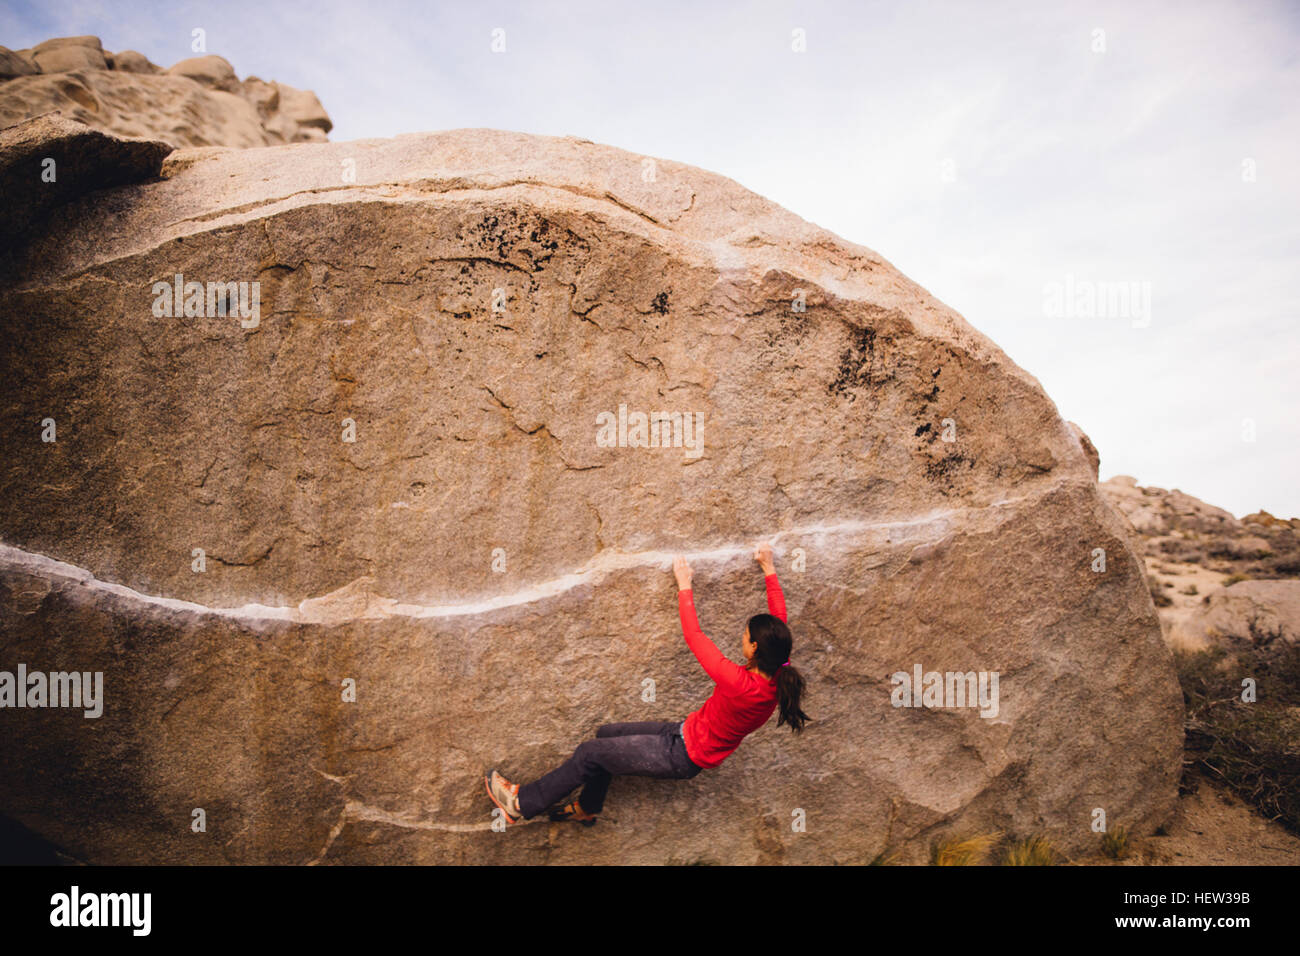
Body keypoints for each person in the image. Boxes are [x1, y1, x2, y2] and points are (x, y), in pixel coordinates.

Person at [484, 541, 809, 826]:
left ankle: (521, 803)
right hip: (684, 732)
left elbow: (694, 637)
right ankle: (587, 808)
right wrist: (768, 568)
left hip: (682, 754)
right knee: (605, 736)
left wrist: (684, 585)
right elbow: (779, 620)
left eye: (744, 636)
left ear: (754, 648)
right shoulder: (779, 669)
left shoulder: (740, 683)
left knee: (589, 753)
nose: (742, 637)